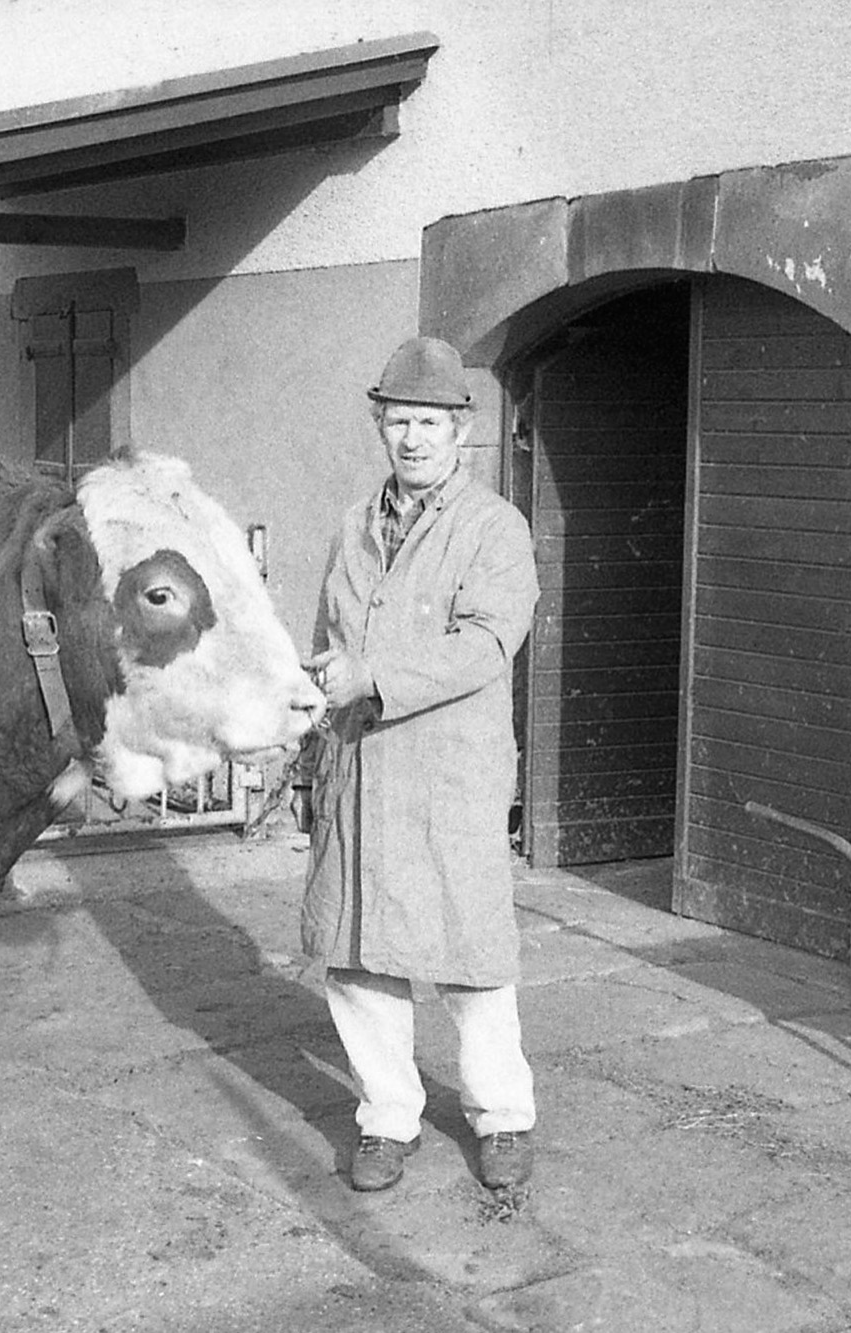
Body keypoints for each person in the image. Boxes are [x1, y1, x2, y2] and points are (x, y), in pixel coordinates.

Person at [301, 334, 541, 1194]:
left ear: (461, 431)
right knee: (361, 954)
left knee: (471, 954)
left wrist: (372, 675)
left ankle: (502, 1115)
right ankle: (386, 1118)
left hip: (448, 776)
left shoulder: (494, 528)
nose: (412, 438)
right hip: (362, 771)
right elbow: (329, 635)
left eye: (430, 423)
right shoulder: (353, 526)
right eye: (399, 421)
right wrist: (313, 712)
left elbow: (486, 643)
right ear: (380, 425)